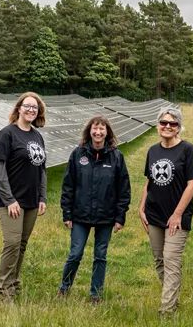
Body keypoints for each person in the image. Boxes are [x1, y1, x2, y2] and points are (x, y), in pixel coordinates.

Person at [57, 116, 131, 304]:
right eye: (95, 129)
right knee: (75, 254)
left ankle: (96, 294)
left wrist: (120, 216)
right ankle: (64, 288)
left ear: (108, 132)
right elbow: (68, 186)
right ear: (89, 131)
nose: (98, 132)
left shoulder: (116, 156)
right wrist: (67, 212)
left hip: (106, 217)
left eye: (102, 129)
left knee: (100, 256)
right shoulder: (78, 154)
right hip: (80, 216)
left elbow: (124, 189)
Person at [138, 107, 193, 314]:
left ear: (179, 127)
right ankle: (172, 299)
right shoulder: (153, 151)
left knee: (171, 259)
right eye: (163, 123)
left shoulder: (188, 150)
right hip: (154, 214)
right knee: (159, 260)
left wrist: (177, 214)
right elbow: (149, 181)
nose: (167, 126)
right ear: (158, 125)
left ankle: (166, 310)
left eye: (172, 124)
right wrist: (141, 207)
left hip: (177, 217)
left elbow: (192, 184)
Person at [0, 92, 48, 304]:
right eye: (27, 106)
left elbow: (41, 169)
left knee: (22, 244)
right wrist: (9, 200)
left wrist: (42, 196)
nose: (31, 110)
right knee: (12, 242)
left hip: (31, 201)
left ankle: (14, 284)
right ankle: (4, 290)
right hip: (11, 201)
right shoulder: (6, 135)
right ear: (19, 108)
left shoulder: (37, 136)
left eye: (35, 108)